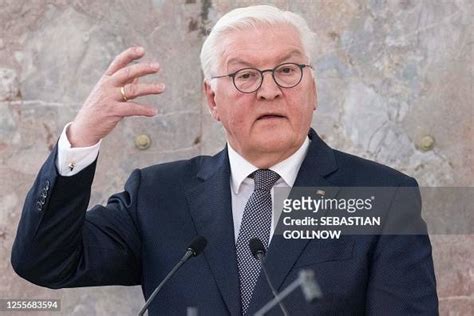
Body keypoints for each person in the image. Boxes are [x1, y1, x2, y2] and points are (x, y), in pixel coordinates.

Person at [11, 5, 438, 315]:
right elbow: (45, 261)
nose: (269, 91)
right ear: (212, 98)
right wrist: (82, 136)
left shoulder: (383, 197)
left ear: (313, 88)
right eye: (245, 75)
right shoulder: (159, 196)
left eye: (287, 71)